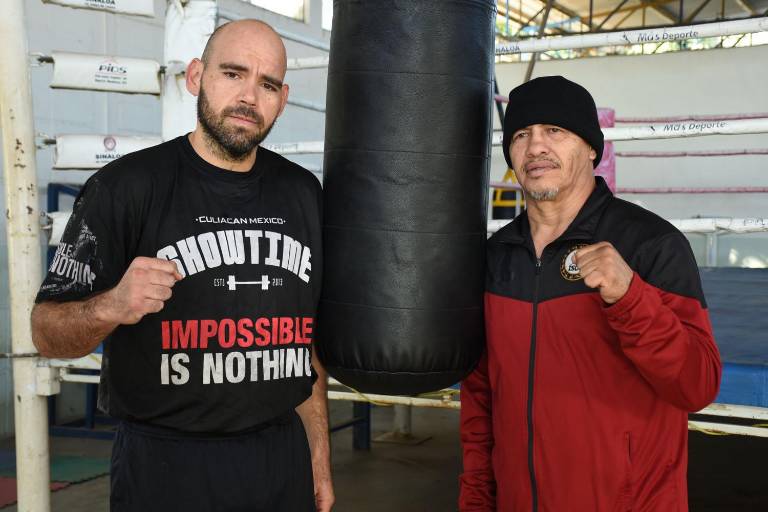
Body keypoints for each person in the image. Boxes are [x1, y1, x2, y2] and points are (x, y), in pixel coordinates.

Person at [31, 20, 333, 512]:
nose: (249, 97)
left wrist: (318, 453)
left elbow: (306, 343)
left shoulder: (302, 193)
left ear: (282, 99)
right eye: (232, 74)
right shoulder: (125, 188)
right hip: (165, 464)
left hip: (280, 457)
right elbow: (46, 332)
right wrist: (113, 305)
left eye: (267, 84)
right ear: (196, 77)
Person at [459, 75, 721, 511]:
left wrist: (631, 299)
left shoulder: (650, 244)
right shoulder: (495, 257)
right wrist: (475, 501)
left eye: (554, 131)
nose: (536, 147)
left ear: (591, 148)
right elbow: (480, 402)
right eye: (521, 135)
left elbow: (698, 385)